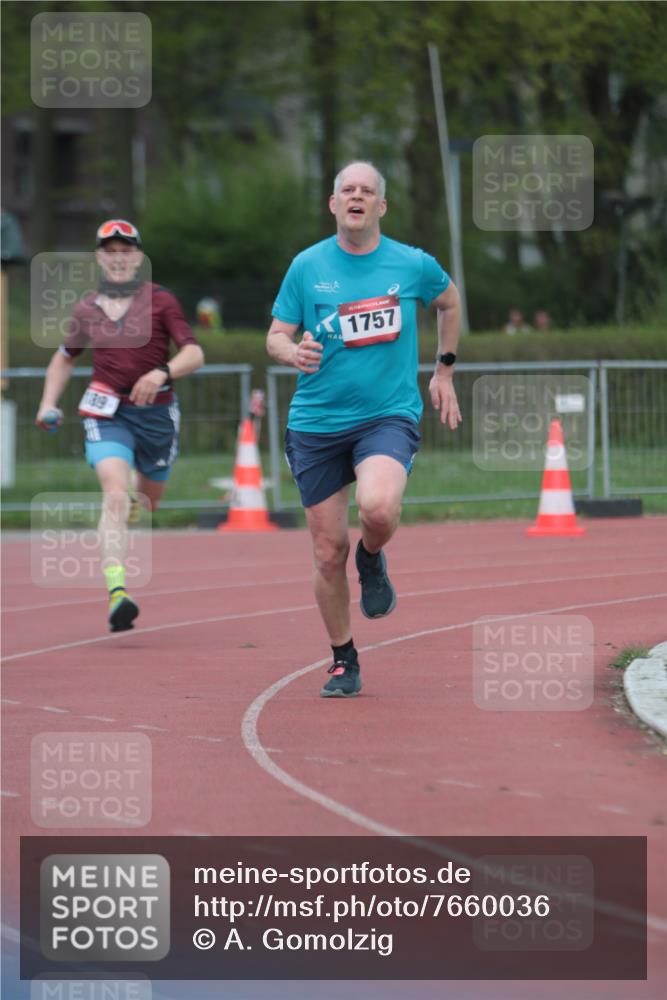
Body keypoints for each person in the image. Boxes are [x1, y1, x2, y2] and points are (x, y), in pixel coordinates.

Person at [267, 161, 462, 698]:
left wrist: (444, 368)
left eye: (367, 191)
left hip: (386, 417)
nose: (356, 197)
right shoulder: (307, 267)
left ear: (381, 206)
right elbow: (275, 335)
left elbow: (449, 301)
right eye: (347, 190)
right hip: (316, 423)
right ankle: (343, 659)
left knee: (377, 507)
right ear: (333, 204)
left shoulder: (411, 264)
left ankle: (372, 557)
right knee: (327, 550)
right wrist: (291, 350)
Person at [35, 219, 204, 632]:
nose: (118, 258)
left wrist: (161, 373)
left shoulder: (161, 301)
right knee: (115, 494)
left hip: (158, 417)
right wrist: (47, 403)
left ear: (138, 258)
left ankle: (127, 509)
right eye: (110, 251)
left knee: (146, 504)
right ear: (99, 258)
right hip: (106, 413)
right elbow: (65, 357)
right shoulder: (87, 308)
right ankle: (118, 592)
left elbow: (194, 354)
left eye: (125, 251)